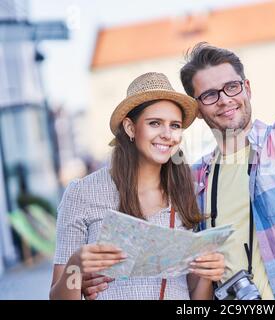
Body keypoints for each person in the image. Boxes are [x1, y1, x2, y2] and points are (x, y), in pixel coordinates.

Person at [84, 7, 275, 300]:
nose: (224, 100)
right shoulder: (195, 179)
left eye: (231, 87)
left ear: (246, 87)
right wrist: (98, 273)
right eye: (209, 94)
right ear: (199, 109)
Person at [49, 72, 225, 300]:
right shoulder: (82, 193)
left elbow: (196, 298)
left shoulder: (186, 191)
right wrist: (76, 265)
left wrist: (207, 273)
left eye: (175, 125)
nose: (167, 134)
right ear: (130, 128)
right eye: (154, 123)